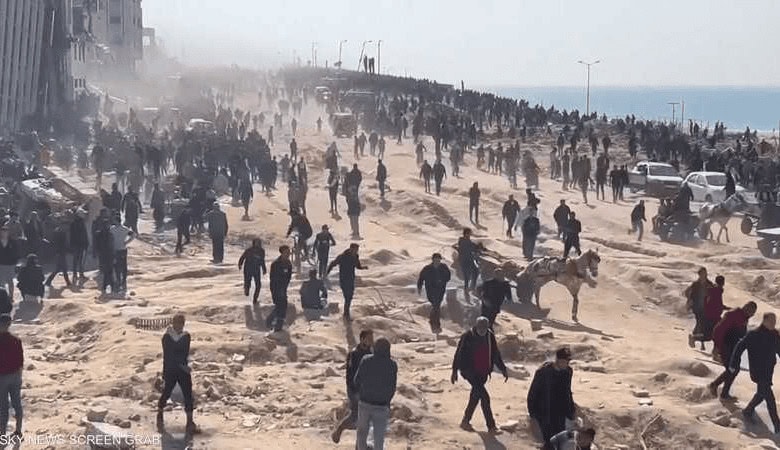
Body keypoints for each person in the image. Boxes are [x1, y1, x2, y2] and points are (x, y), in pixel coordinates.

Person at [451, 316, 508, 434]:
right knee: (485, 397)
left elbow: (495, 353)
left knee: (475, 396)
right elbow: (459, 353)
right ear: (476, 326)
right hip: (470, 372)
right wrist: (454, 371)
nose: (482, 331)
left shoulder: (489, 336)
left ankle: (465, 421)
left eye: (484, 328)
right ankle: (491, 426)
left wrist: (503, 369)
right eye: (480, 328)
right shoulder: (468, 336)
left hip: (483, 372)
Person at [730, 312, 780, 433]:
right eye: (771, 321)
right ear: (764, 321)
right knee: (769, 397)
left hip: (768, 370)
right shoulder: (753, 334)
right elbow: (739, 347)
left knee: (762, 393)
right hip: (758, 371)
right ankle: (777, 426)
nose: (774, 323)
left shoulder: (774, 334)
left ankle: (748, 411)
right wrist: (733, 363)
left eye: (775, 321)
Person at [156, 313, 197, 434]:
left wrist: (182, 365)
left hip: (182, 369)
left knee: (188, 393)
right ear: (173, 323)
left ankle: (190, 422)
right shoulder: (167, 337)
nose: (179, 326)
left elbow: (184, 352)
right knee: (167, 392)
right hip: (171, 369)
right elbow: (169, 354)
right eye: (177, 323)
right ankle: (160, 412)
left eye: (181, 323)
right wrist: (181, 366)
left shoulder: (186, 336)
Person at [354, 337, 397, 450]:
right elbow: (392, 387)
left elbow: (357, 380)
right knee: (379, 438)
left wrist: (360, 394)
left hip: (365, 403)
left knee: (362, 434)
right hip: (382, 406)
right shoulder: (392, 365)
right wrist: (387, 401)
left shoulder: (366, 360)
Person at [528, 347, 577, 448]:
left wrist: (571, 410)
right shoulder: (543, 372)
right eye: (564, 361)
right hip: (545, 412)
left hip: (560, 412)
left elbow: (568, 391)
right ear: (557, 360)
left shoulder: (568, 371)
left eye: (568, 362)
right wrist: (532, 413)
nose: (566, 364)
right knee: (549, 441)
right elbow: (533, 393)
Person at [332, 329, 374, 444]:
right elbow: (350, 374)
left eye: (372, 338)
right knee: (355, 414)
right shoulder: (354, 354)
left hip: (366, 390)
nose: (371, 341)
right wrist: (354, 391)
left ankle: (359, 444)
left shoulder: (370, 353)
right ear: (362, 339)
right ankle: (339, 429)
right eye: (369, 338)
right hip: (355, 390)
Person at [709, 301, 757, 400]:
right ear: (746, 308)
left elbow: (741, 333)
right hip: (725, 345)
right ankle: (717, 388)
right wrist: (717, 347)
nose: (752, 314)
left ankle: (721, 391)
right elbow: (718, 330)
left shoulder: (743, 317)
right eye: (751, 311)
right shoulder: (733, 314)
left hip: (733, 348)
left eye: (753, 313)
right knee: (732, 369)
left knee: (733, 369)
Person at [327, 244, 368, 321]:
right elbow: (333, 264)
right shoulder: (342, 256)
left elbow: (357, 266)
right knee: (347, 296)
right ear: (350, 249)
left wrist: (363, 268)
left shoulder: (355, 256)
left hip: (351, 279)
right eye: (355, 250)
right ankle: (346, 314)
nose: (356, 251)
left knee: (350, 296)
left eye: (357, 250)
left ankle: (346, 313)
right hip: (343, 279)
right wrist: (327, 272)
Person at [0, 313, 23, 439]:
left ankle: (2, 435)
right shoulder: (16, 340)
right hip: (15, 376)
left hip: (2, 378)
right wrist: (19, 376)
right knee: (17, 404)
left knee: (3, 408)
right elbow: (20, 361)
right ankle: (18, 431)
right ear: (9, 324)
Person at [417, 253, 452, 333]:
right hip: (430, 290)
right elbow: (421, 278)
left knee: (436, 305)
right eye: (435, 260)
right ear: (433, 260)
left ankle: (434, 322)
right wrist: (419, 287)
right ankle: (435, 323)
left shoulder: (444, 267)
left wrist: (442, 280)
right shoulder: (427, 268)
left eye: (438, 260)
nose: (437, 261)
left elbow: (448, 277)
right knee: (436, 305)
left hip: (440, 290)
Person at [685, 267, 714, 350]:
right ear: (699, 274)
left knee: (702, 324)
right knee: (700, 323)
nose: (704, 275)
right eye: (702, 273)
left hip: (706, 308)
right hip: (697, 307)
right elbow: (688, 293)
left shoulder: (709, 284)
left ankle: (696, 339)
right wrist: (690, 302)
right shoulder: (695, 284)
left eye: (705, 273)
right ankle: (697, 340)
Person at [267, 246, 293, 332]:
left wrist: (284, 288)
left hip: (283, 288)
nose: (288, 254)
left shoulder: (288, 264)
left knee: (282, 306)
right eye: (286, 252)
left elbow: (288, 277)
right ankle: (275, 324)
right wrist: (278, 290)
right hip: (276, 288)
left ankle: (276, 323)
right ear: (282, 253)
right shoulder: (276, 264)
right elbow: (273, 278)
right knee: (280, 305)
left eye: (289, 252)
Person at [238, 239, 267, 305]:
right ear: (253, 243)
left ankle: (255, 299)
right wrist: (240, 264)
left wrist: (264, 269)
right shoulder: (249, 250)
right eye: (256, 243)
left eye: (259, 243)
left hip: (256, 269)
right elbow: (242, 257)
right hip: (248, 269)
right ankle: (246, 289)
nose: (257, 244)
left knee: (258, 285)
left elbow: (262, 260)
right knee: (247, 282)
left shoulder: (262, 251)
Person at [109, 215, 133, 293]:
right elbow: (133, 235)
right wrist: (126, 242)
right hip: (123, 249)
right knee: (123, 265)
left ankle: (118, 280)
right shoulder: (125, 229)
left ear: (116, 221)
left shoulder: (112, 229)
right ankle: (123, 281)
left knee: (116, 266)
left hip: (115, 249)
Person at [455, 228, 482, 293]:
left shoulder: (467, 240)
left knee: (475, 271)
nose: (469, 235)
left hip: (469, 259)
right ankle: (467, 288)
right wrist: (477, 247)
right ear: (465, 234)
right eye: (468, 233)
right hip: (464, 260)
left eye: (469, 233)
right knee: (467, 275)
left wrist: (477, 247)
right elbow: (469, 247)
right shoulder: (462, 241)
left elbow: (471, 246)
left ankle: (472, 287)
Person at [44, 224, 72, 289]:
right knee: (62, 268)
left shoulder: (57, 233)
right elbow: (62, 244)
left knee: (60, 268)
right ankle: (67, 282)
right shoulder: (60, 234)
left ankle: (49, 281)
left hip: (59, 252)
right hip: (60, 253)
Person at [0, 227, 19, 300]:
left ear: (8, 233)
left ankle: (11, 297)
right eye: (2, 232)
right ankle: (3, 297)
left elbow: (16, 252)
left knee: (10, 281)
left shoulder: (13, 242)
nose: (4, 233)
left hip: (10, 265)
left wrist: (15, 262)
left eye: (5, 232)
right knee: (1, 282)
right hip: (1, 264)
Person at [70, 212, 89, 280]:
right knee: (79, 260)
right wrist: (86, 242)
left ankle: (77, 274)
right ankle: (78, 274)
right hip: (78, 243)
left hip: (78, 244)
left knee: (77, 260)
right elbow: (84, 234)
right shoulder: (77, 223)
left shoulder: (74, 223)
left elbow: (84, 234)